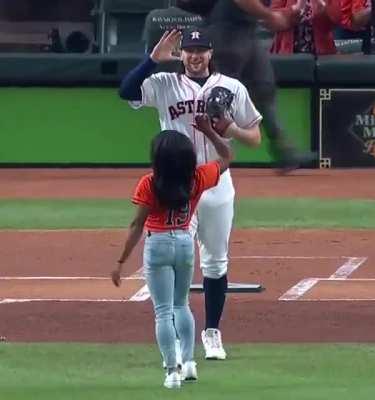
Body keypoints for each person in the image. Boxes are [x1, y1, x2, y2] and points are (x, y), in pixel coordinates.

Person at [119, 28, 262, 360]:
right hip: (177, 184)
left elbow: (254, 137)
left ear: (211, 54)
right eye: (189, 50)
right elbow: (125, 90)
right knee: (177, 257)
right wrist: (153, 60)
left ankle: (212, 332)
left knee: (215, 261)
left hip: (216, 180)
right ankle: (175, 338)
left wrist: (232, 129)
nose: (195, 56)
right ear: (180, 54)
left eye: (201, 50)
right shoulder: (163, 83)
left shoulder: (231, 87)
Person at [111, 119, 233, 389]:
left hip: (158, 245)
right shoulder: (198, 178)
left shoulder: (149, 184)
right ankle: (189, 363)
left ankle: (171, 371)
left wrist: (120, 262)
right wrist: (209, 131)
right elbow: (227, 156)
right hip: (184, 242)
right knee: (182, 305)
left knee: (163, 312)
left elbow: (136, 225)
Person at [176, 0, 316, 170]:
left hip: (247, 31)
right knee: (220, 97)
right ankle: (200, 155)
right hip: (225, 31)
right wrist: (269, 16)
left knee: (263, 88)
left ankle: (284, 150)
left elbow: (268, 14)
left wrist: (286, 14)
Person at [270, 0, 342, 55]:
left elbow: (337, 19)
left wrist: (323, 10)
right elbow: (272, 20)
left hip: (323, 55)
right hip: (288, 55)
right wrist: (296, 9)